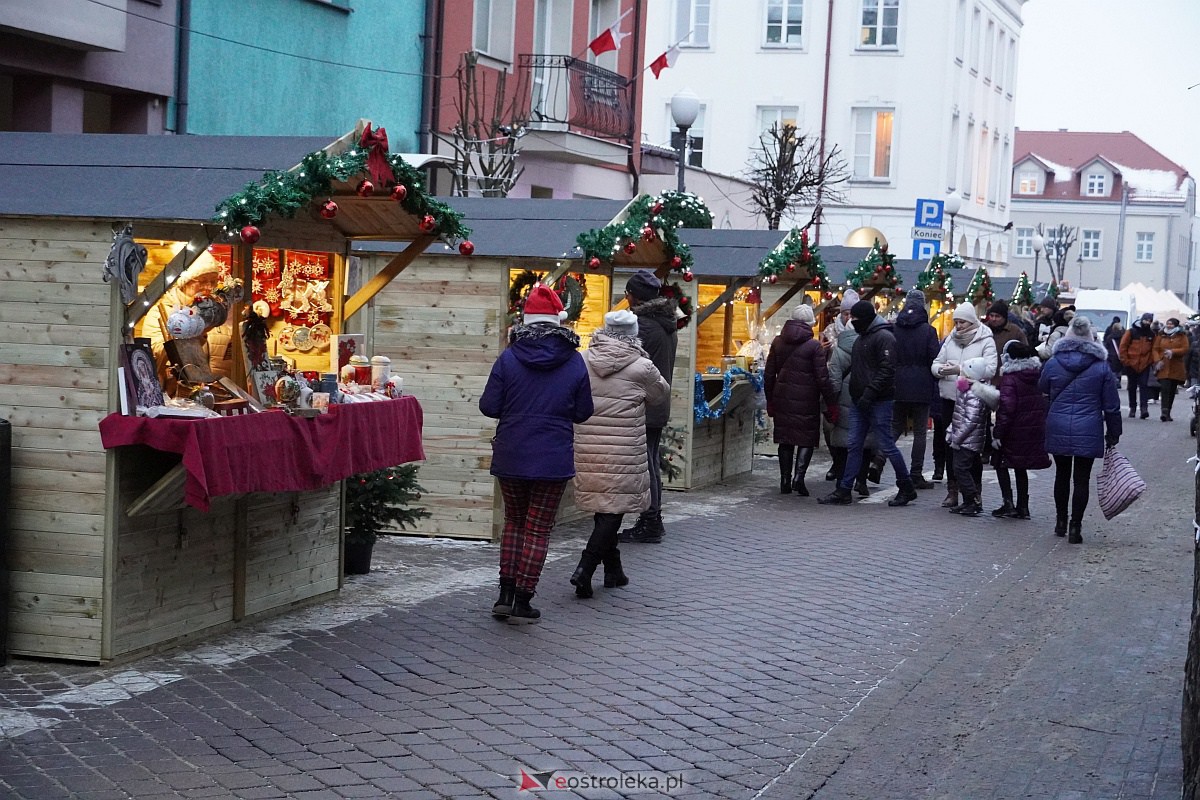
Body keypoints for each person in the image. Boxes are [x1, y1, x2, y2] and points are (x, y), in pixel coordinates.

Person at [479, 284, 594, 623]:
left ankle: (504, 595)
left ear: (525, 320)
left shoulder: (508, 357)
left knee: (514, 522)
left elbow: (489, 406)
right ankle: (523, 599)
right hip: (552, 457)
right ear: (558, 321)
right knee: (538, 529)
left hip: (512, 452)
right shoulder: (573, 361)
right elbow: (583, 412)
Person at [568, 311, 670, 600]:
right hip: (624, 448)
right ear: (633, 333)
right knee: (614, 509)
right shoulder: (642, 367)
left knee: (605, 508)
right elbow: (660, 395)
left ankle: (614, 570)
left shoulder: (582, 360)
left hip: (588, 445)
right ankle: (585, 568)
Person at [818, 300, 918, 507]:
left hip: (878, 400)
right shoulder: (864, 337)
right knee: (854, 445)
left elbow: (887, 370)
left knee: (886, 444)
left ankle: (906, 486)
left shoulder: (883, 338)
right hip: (861, 400)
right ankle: (845, 489)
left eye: (855, 318)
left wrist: (869, 393)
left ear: (864, 318)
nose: (852, 321)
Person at [1039, 315, 1122, 544]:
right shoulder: (1101, 367)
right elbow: (1112, 405)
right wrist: (1114, 432)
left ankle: (1060, 521)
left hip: (1058, 423)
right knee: (1081, 479)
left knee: (1061, 475)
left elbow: (1042, 386)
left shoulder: (1053, 362)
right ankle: (1076, 526)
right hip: (1089, 426)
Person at [619, 270, 678, 545]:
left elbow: (623, 361)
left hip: (643, 404)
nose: (626, 298)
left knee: (646, 464)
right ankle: (652, 518)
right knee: (651, 461)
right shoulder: (664, 323)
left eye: (628, 293)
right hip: (656, 402)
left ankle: (651, 520)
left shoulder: (643, 327)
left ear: (635, 296)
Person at [764, 304, 838, 495]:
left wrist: (770, 400)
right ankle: (799, 478)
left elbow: (769, 374)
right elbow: (823, 379)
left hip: (782, 398)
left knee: (785, 440)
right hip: (807, 399)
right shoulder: (814, 346)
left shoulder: (778, 342)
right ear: (810, 324)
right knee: (806, 440)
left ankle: (785, 480)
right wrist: (831, 403)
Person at [871, 288, 940, 489]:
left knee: (894, 427)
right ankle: (916, 474)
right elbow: (934, 359)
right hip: (921, 386)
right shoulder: (928, 331)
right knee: (920, 432)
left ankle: (878, 460)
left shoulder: (894, 329)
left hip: (897, 384)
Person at [930, 304, 997, 508]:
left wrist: (959, 370)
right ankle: (953, 490)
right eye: (956, 322)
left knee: (971, 447)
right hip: (950, 398)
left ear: (972, 321)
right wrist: (940, 370)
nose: (958, 326)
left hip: (972, 401)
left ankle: (974, 491)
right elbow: (936, 363)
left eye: (962, 322)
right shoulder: (950, 339)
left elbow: (990, 369)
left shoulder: (985, 340)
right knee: (950, 445)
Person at [140, 260, 234, 394]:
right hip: (178, 394)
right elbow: (156, 352)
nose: (208, 287)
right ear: (185, 282)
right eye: (202, 281)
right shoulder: (161, 312)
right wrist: (197, 331)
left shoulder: (216, 311)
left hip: (216, 393)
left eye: (213, 282)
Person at [990, 341, 1051, 519]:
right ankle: (1023, 506)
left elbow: (1007, 407)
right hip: (1032, 428)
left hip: (1013, 429)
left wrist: (998, 433)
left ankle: (1008, 503)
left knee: (1000, 462)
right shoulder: (1036, 375)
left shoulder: (1010, 378)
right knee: (1021, 466)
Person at [823, 300, 876, 496]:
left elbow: (834, 380)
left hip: (844, 400)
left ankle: (842, 482)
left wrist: (830, 403)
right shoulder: (872, 345)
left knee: (843, 443)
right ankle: (861, 481)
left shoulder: (839, 350)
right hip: (866, 397)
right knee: (865, 441)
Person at [945, 356, 998, 517]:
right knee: (960, 468)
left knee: (961, 469)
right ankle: (968, 501)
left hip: (968, 440)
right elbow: (958, 415)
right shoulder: (966, 391)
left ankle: (973, 500)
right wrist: (951, 431)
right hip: (964, 438)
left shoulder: (973, 395)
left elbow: (970, 421)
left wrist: (957, 438)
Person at [1119, 312, 1157, 419]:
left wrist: (1151, 361)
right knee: (1132, 387)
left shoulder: (1151, 334)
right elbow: (1123, 346)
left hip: (1145, 364)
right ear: (1142, 320)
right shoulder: (1131, 332)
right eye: (1146, 320)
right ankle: (1133, 408)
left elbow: (1153, 349)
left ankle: (1144, 409)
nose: (1147, 323)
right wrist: (1125, 360)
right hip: (1131, 363)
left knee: (1144, 386)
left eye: (1149, 321)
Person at [1151, 317, 1190, 422]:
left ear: (1176, 325)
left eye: (1171, 324)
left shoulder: (1181, 335)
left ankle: (1168, 411)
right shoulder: (1161, 335)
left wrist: (1173, 352)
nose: (1169, 326)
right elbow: (1155, 349)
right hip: (1163, 365)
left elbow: (1185, 348)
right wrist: (1157, 360)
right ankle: (1164, 412)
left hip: (1176, 367)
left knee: (1172, 390)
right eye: (1168, 324)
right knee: (1165, 388)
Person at [984, 299, 1027, 379]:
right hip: (985, 376)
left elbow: (1025, 353)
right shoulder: (983, 330)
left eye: (997, 316)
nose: (993, 319)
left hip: (1007, 378)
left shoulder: (1015, 332)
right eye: (991, 315)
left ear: (1004, 317)